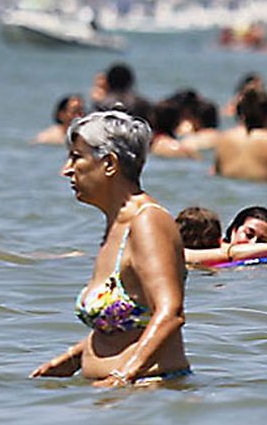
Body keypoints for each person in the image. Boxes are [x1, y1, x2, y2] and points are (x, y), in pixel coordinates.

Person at [33, 111, 190, 384]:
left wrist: (123, 376)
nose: (66, 170)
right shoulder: (116, 225)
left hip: (148, 393)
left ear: (108, 164)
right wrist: (72, 357)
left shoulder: (148, 221)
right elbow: (129, 323)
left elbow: (170, 313)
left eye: (76, 157)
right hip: (117, 397)